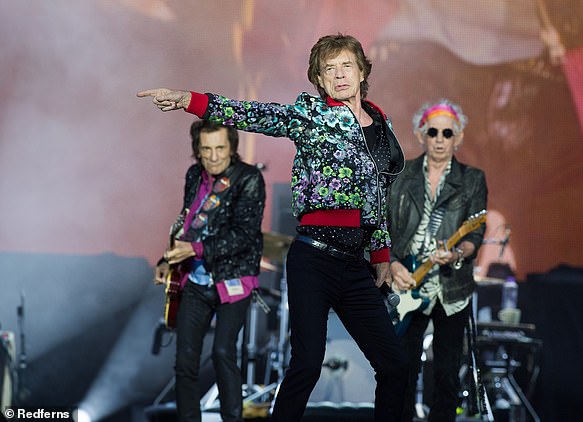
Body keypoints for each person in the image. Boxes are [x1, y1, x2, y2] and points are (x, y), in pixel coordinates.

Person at [139, 33, 408, 422]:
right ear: (318, 78)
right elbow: (253, 113)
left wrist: (381, 256)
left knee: (396, 365)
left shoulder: (381, 125)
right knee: (307, 364)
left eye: (346, 65)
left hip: (355, 264)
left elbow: (379, 196)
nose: (339, 75)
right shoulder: (312, 115)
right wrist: (189, 100)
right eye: (328, 69)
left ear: (363, 70)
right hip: (313, 259)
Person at [153, 120, 266, 422]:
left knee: (222, 352)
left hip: (234, 278)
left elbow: (244, 234)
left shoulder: (248, 178)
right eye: (206, 150)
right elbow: (187, 222)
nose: (214, 157)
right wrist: (168, 261)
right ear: (197, 152)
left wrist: (197, 250)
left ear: (232, 148)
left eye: (220, 149)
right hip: (195, 278)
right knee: (185, 361)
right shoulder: (194, 176)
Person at [387, 99, 487, 422]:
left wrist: (457, 253)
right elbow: (382, 230)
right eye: (433, 131)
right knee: (402, 372)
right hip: (407, 286)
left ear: (458, 138)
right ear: (422, 135)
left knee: (445, 376)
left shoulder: (472, 180)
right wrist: (391, 264)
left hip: (451, 289)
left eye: (448, 132)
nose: (440, 138)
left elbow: (474, 236)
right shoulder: (401, 178)